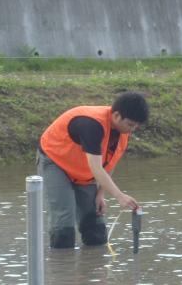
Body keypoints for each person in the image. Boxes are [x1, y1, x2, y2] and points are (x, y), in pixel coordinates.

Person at [37, 91, 149, 248]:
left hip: (83, 169)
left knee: (96, 226)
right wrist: (119, 196)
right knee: (64, 225)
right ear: (117, 116)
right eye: (130, 125)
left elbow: (109, 164)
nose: (132, 130)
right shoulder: (91, 125)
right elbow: (96, 168)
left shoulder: (123, 131)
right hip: (56, 161)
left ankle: (93, 268)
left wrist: (100, 194)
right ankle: (61, 267)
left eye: (136, 126)